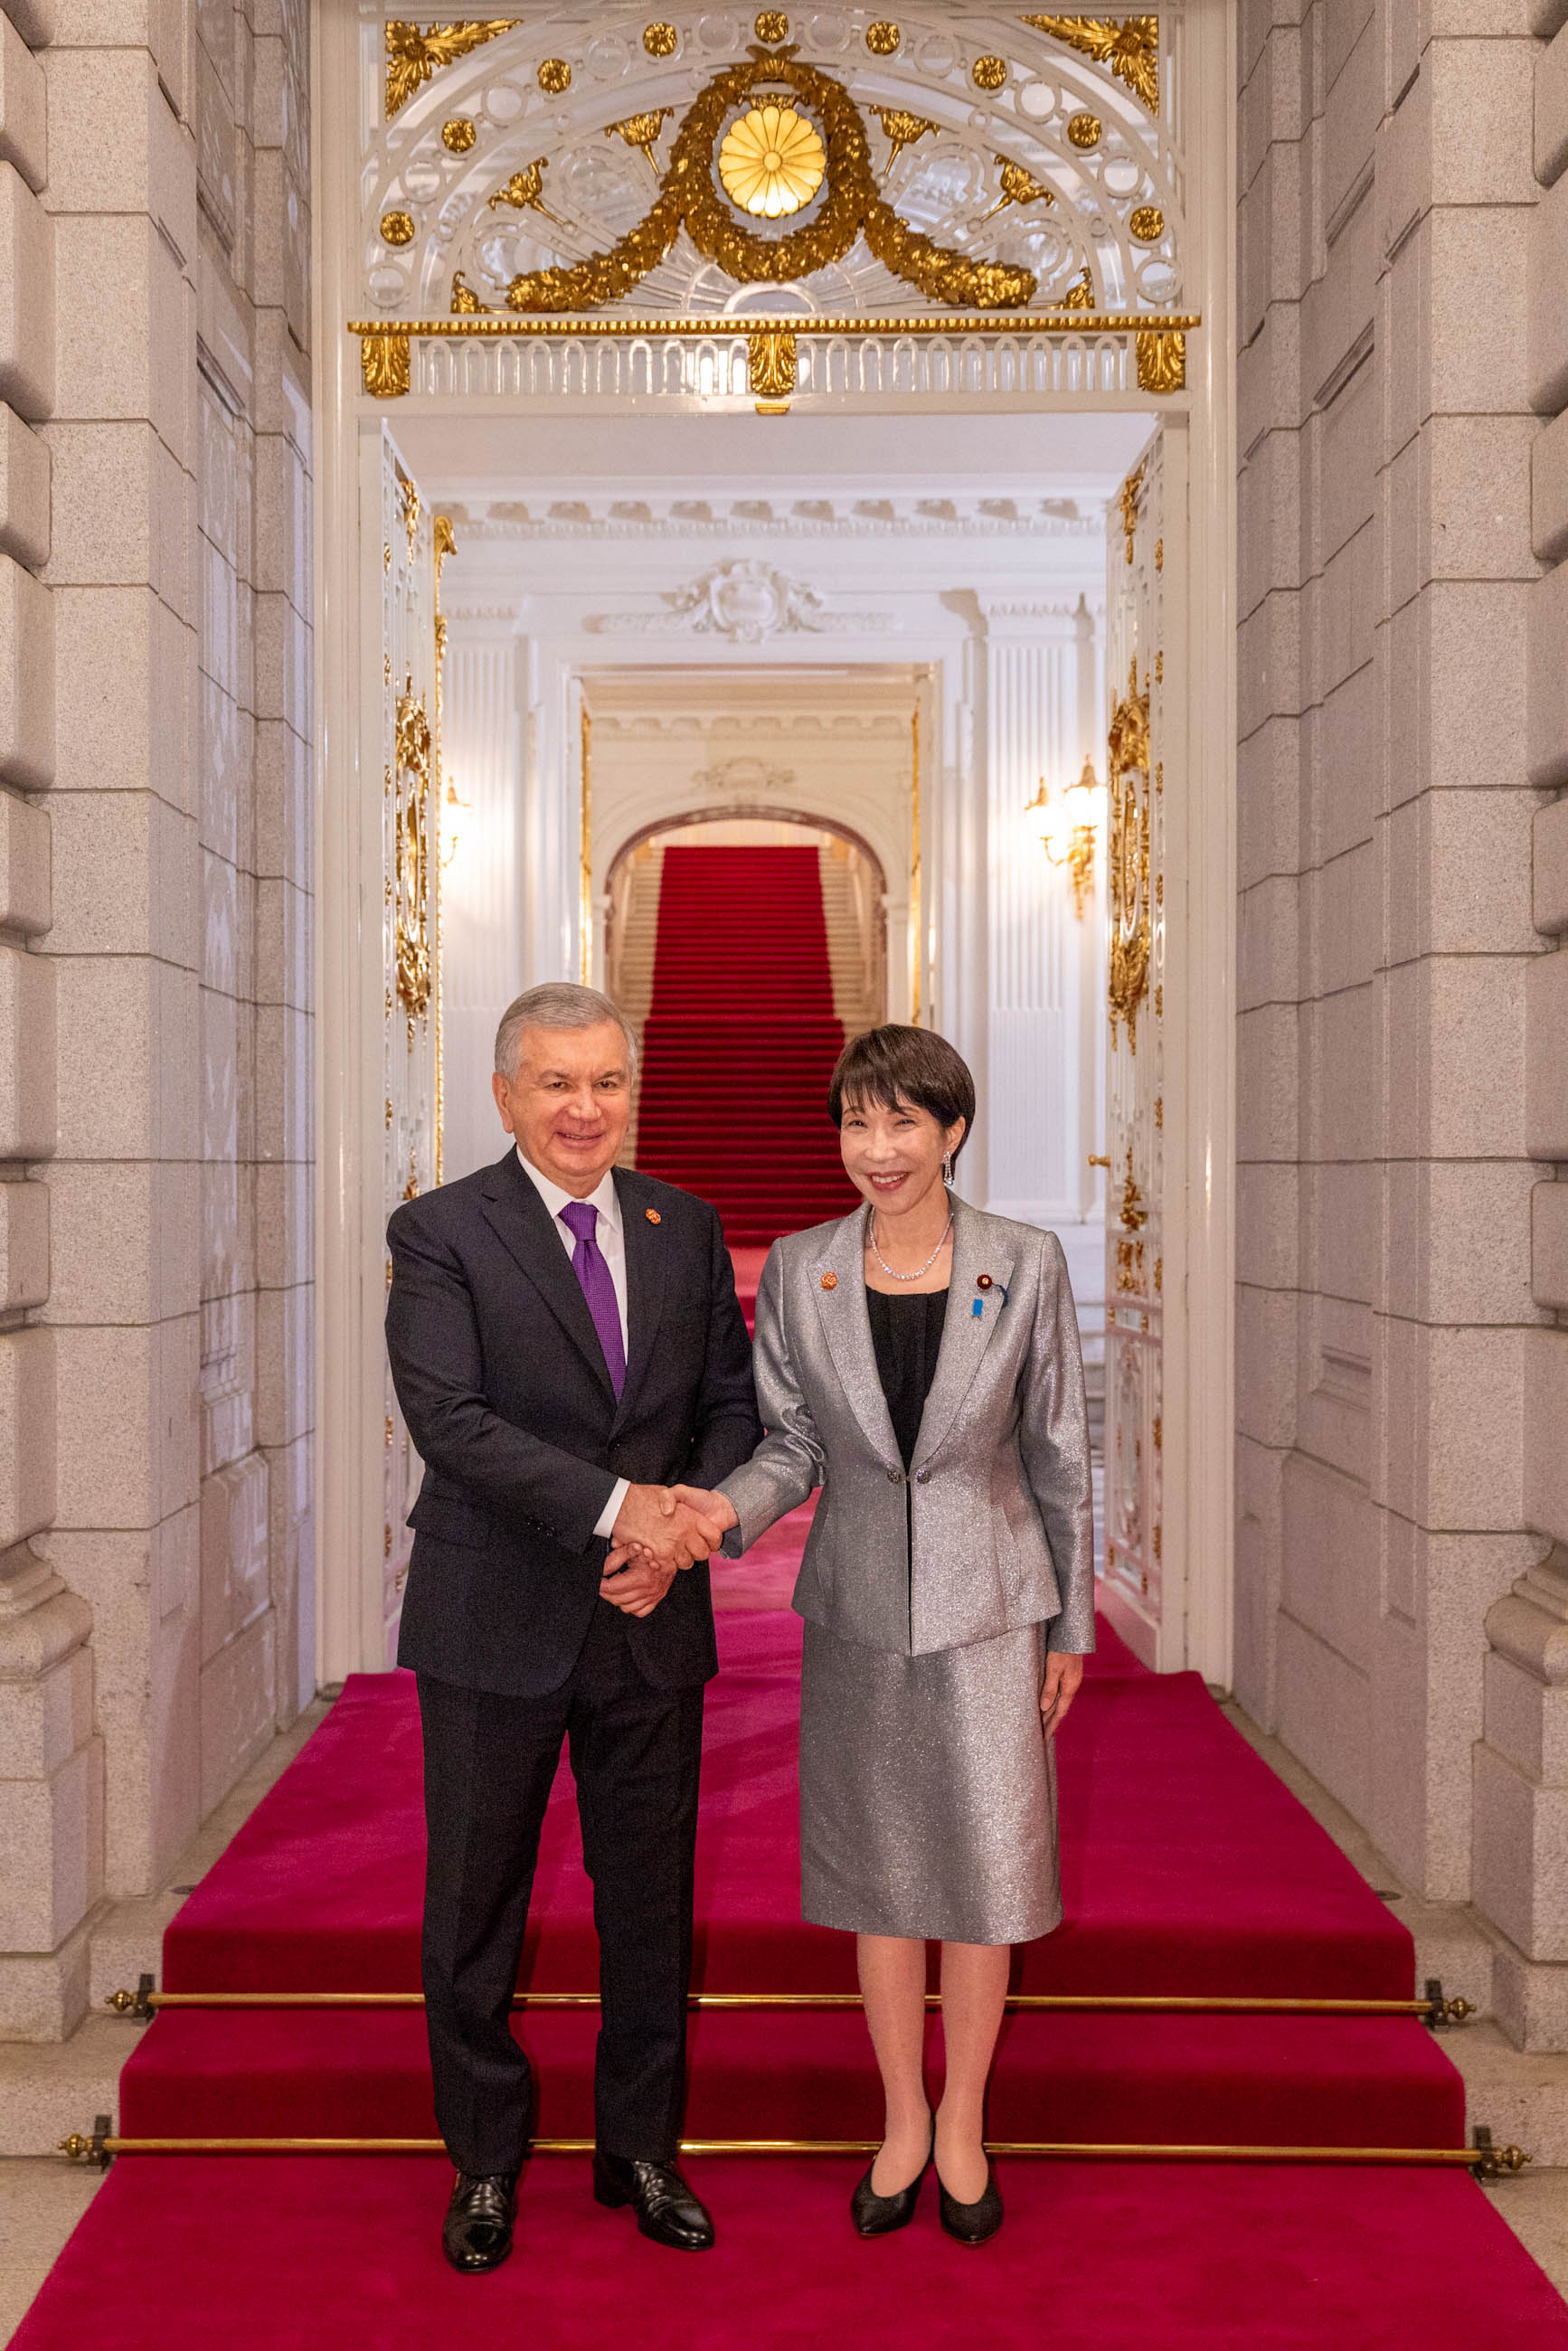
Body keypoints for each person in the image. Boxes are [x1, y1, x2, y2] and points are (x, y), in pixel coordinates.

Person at [635, 1024, 1093, 2245]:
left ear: (950, 1132)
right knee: (880, 1877)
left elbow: (1057, 1458)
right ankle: (899, 2116)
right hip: (854, 1615)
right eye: (856, 1123)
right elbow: (792, 1447)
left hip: (998, 1610)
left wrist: (1072, 1626)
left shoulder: (1025, 1261)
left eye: (902, 1123)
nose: (875, 1149)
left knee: (986, 1878)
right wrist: (719, 1512)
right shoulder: (800, 1269)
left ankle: (963, 2124)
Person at [385, 981, 760, 2273]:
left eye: (605, 1082)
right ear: (505, 1094)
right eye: (556, 1084)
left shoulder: (684, 1224)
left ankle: (639, 2150)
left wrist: (683, 1527)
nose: (584, 1109)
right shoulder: (441, 1230)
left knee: (648, 1901)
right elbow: (452, 1421)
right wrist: (623, 1516)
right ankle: (486, 2162)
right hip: (494, 1616)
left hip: (650, 1621)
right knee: (474, 1905)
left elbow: (729, 1404)